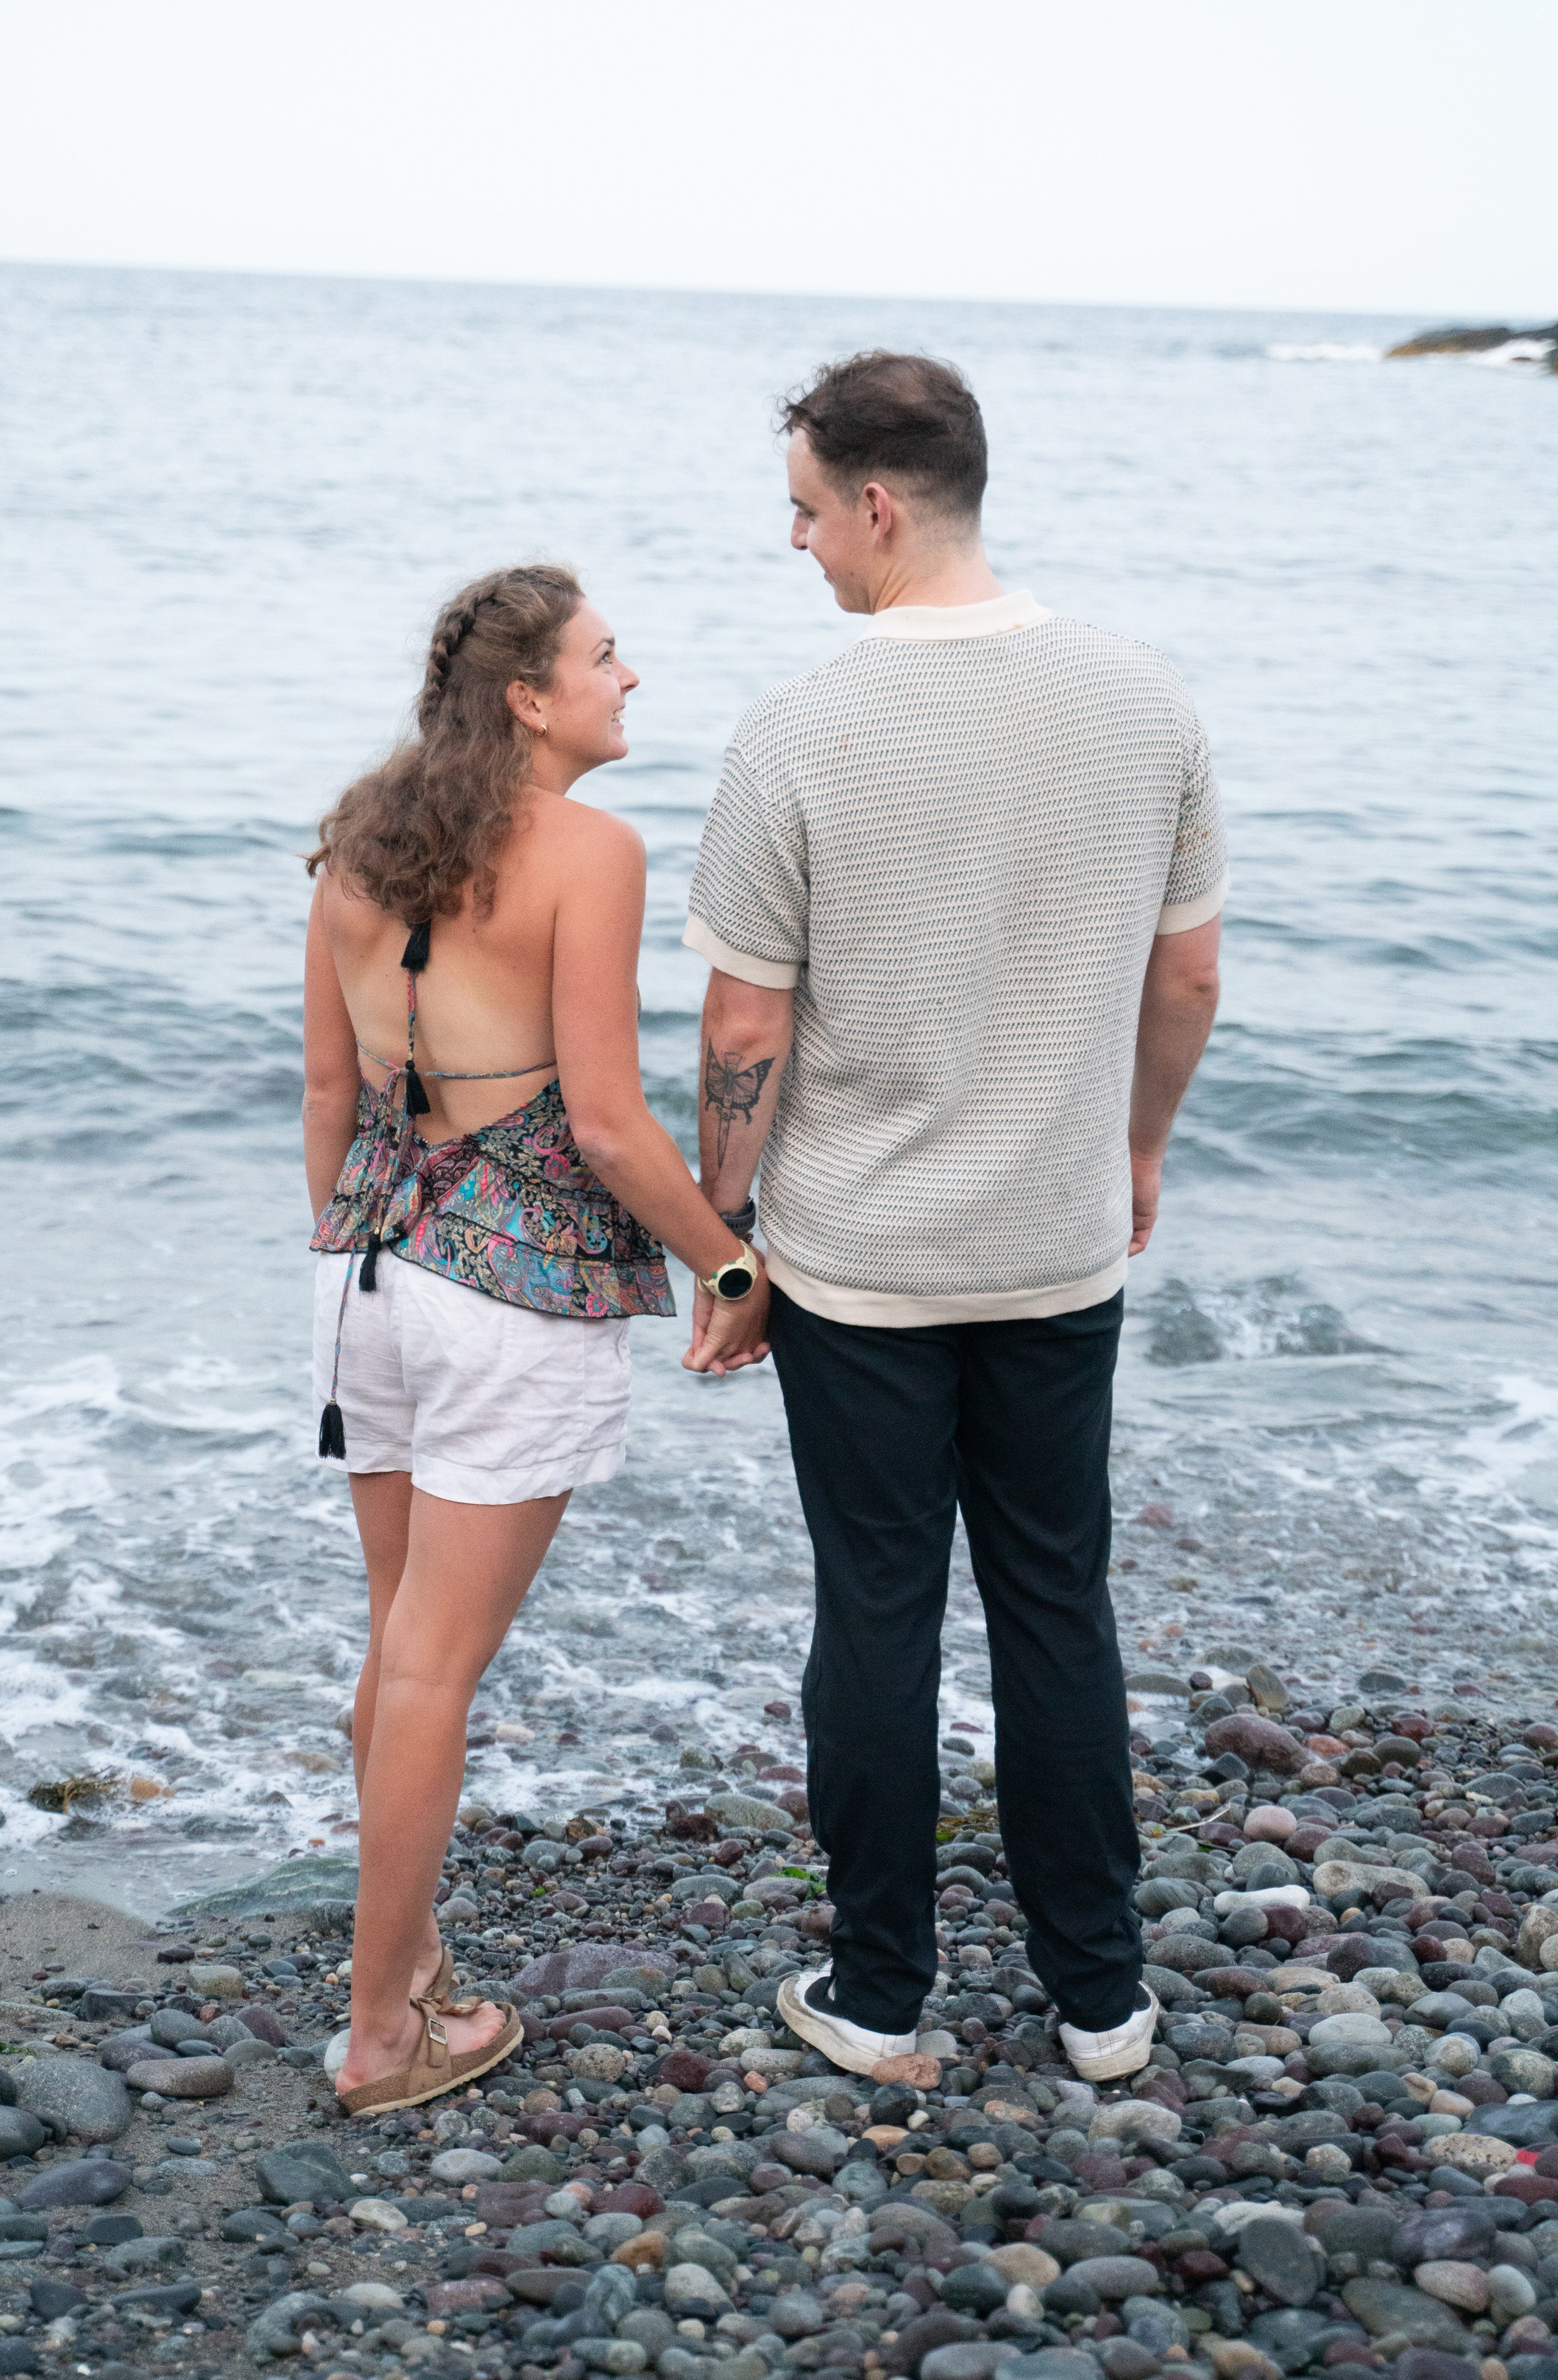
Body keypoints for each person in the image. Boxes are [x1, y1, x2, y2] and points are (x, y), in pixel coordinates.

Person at [683, 353, 1226, 2089]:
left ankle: (879, 1993)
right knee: (1056, 1603)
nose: (792, 544)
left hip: (857, 1262)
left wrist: (722, 1231)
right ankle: (1099, 2002)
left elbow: (742, 1030)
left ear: (876, 505)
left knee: (878, 1607)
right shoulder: (1146, 703)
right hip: (1054, 1244)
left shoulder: (797, 732)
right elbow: (1187, 974)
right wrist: (1132, 1152)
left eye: (796, 508)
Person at [304, 564, 771, 2119]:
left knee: (398, 1643)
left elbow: (328, 1096)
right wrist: (727, 1269)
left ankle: (412, 1965)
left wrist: (358, 1252)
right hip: (507, 1295)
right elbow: (609, 1123)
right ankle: (380, 2036)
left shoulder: (364, 832)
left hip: (363, 1274)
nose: (626, 678)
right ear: (527, 694)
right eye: (602, 655)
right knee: (433, 1664)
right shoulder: (588, 849)